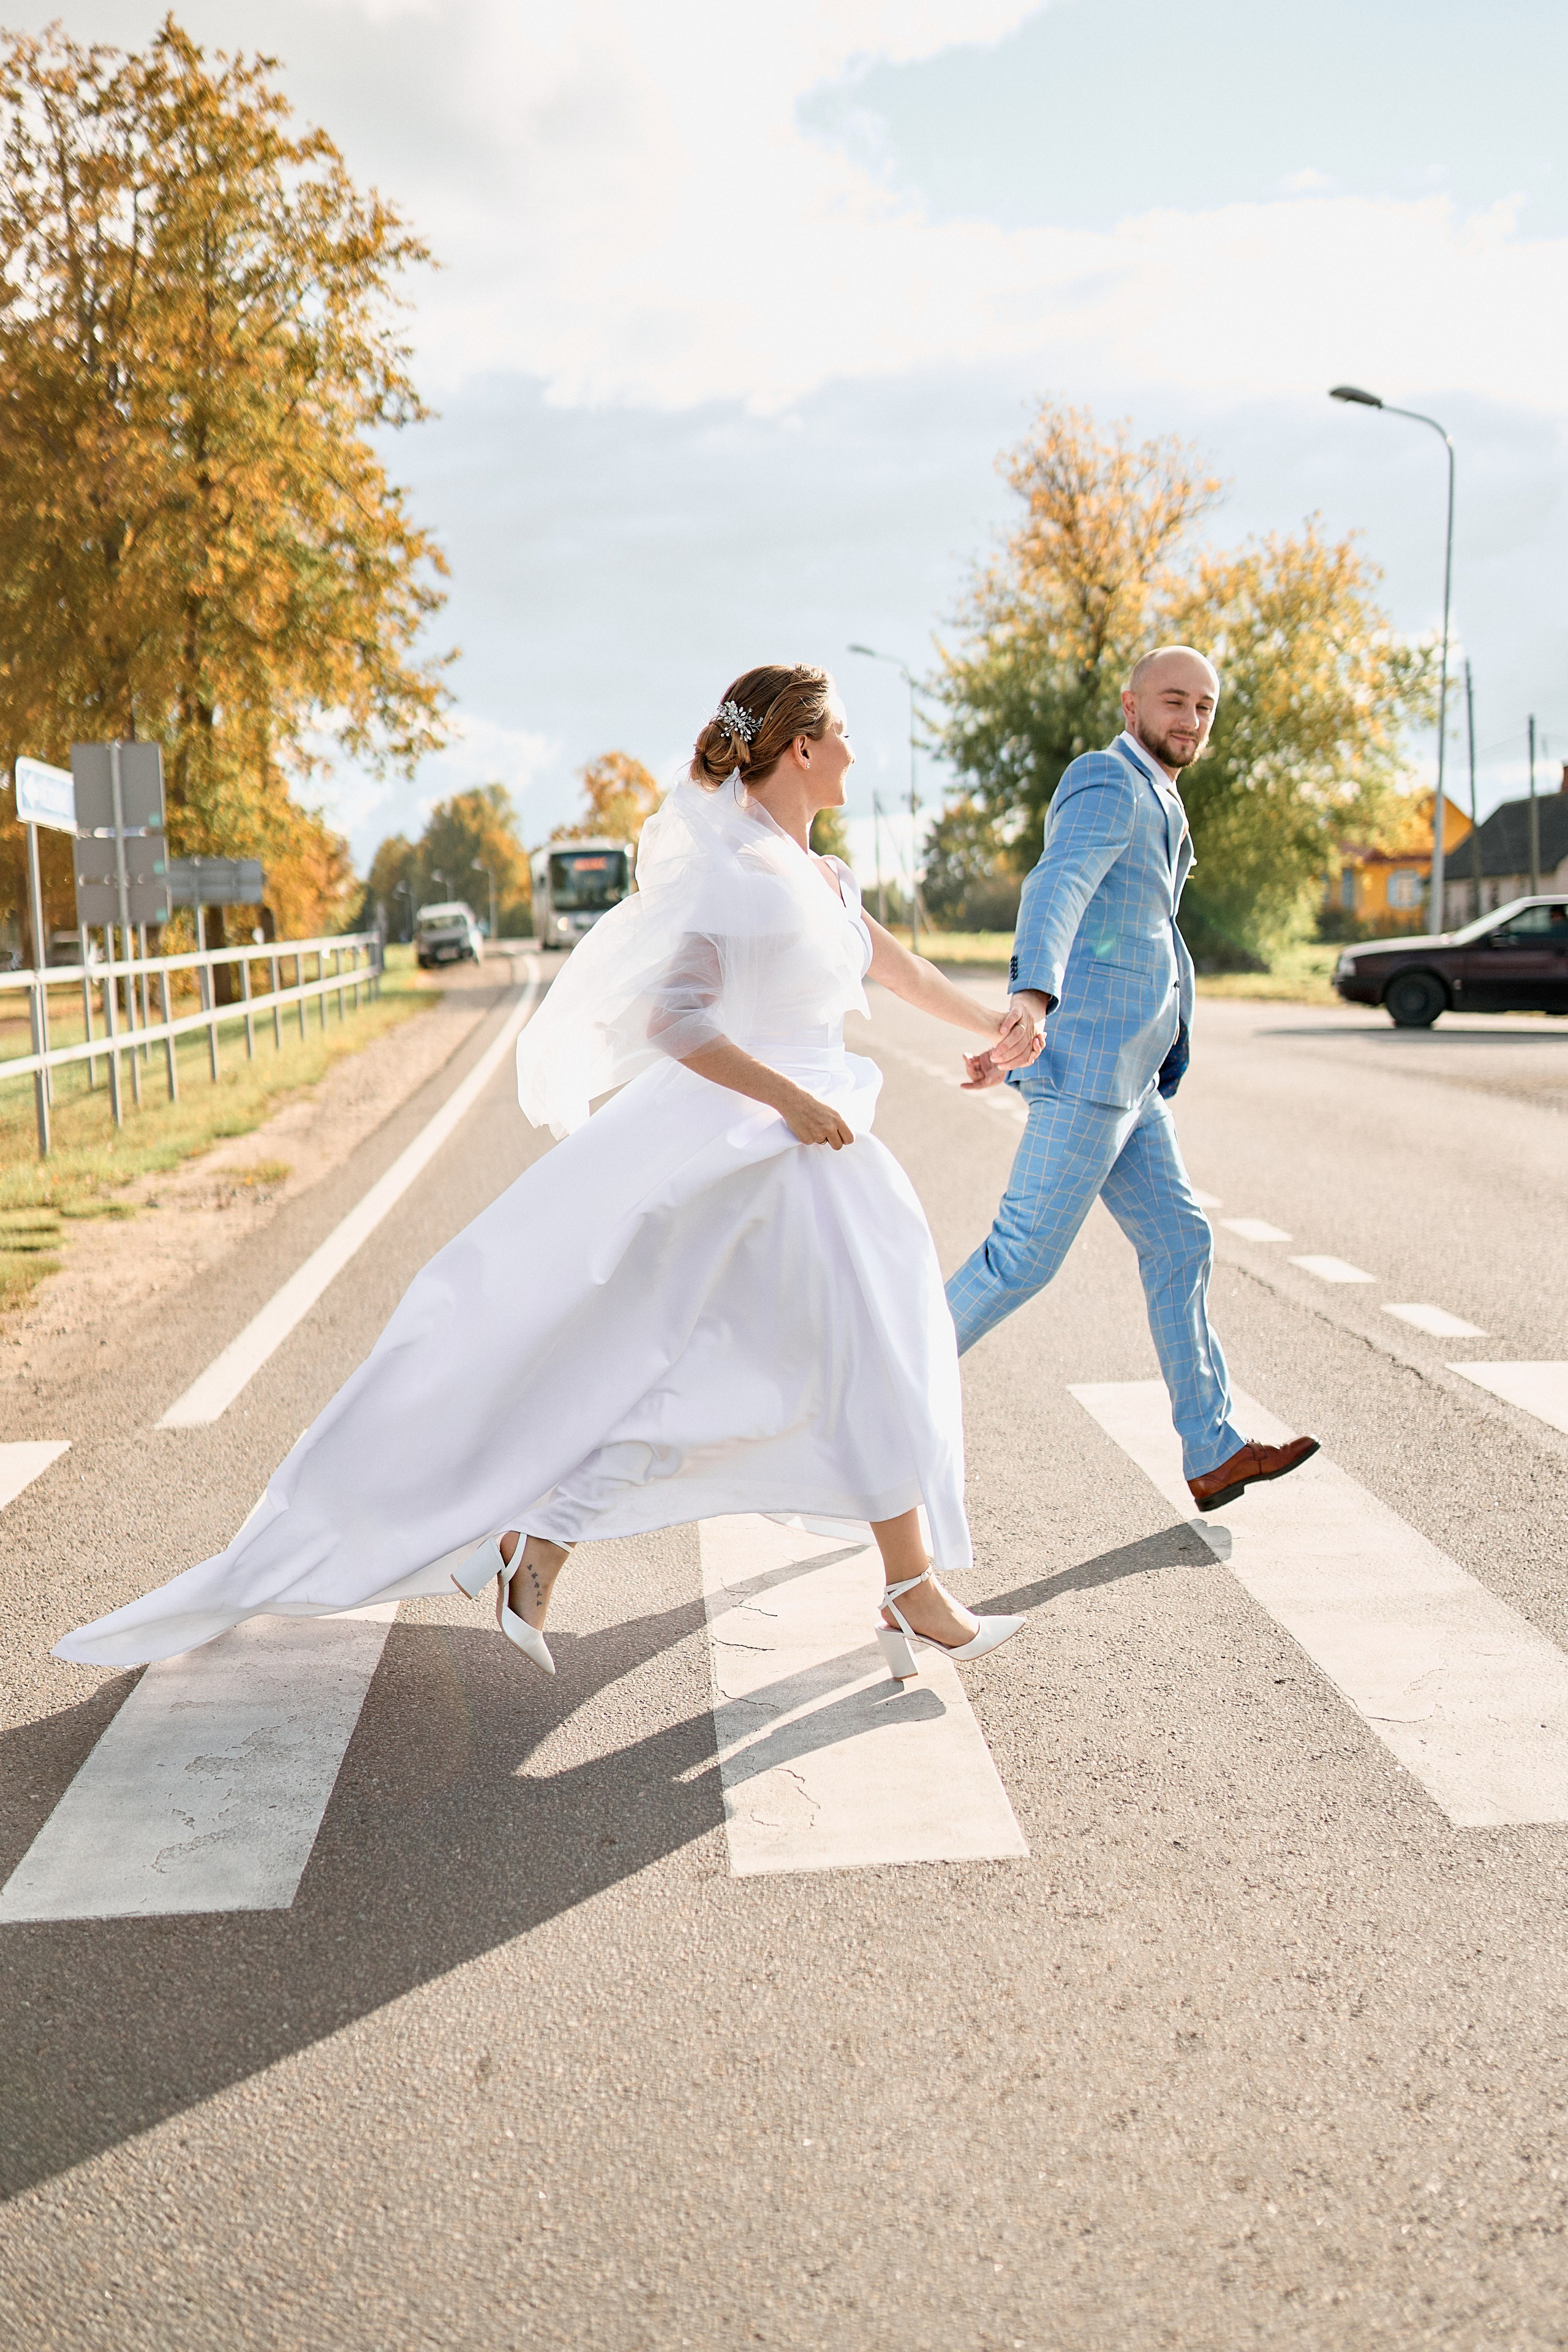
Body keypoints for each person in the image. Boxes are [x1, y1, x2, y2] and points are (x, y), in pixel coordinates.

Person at [58, 665, 1042, 1683]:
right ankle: (829, 1576)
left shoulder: (824, 877)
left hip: (824, 1155)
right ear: (801, 749)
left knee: (857, 1353)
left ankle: (871, 1580)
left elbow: (901, 972)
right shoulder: (735, 872)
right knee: (780, 1362)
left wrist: (1002, 1025)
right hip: (767, 1155)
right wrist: (784, 1098)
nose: (852, 755)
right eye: (841, 736)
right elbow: (677, 1022)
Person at [948, 646, 1319, 1512]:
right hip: (1088, 1074)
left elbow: (1144, 921)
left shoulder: (1160, 792)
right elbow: (1059, 886)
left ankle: (1212, 1447)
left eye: (1204, 708)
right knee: (1020, 1262)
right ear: (1131, 706)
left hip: (1135, 1077)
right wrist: (1031, 998)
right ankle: (874, 1397)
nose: (1189, 720)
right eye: (1174, 702)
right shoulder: (1106, 780)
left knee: (1183, 1240)